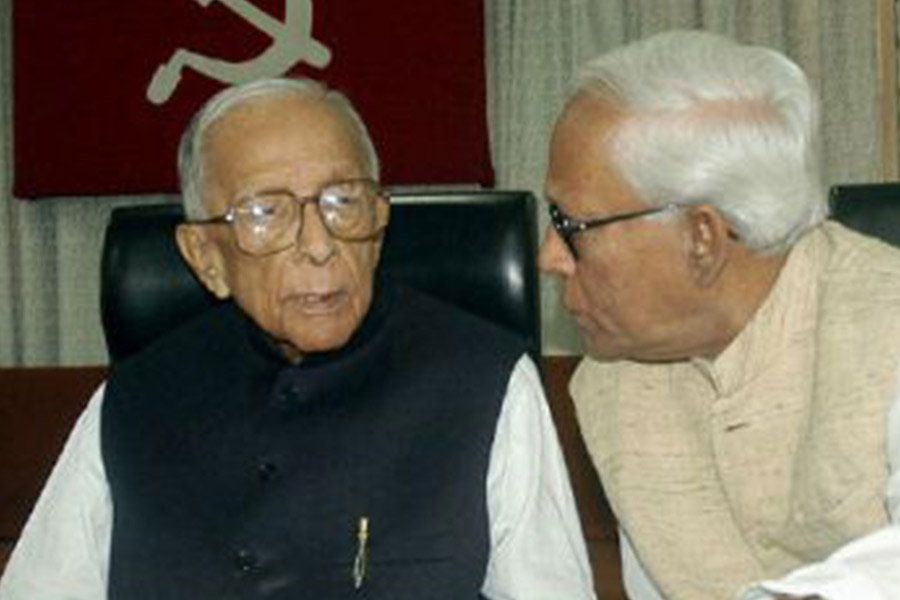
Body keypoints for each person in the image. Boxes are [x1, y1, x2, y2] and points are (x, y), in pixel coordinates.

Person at [0, 77, 595, 599]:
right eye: (266, 212)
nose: (318, 244)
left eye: (344, 202)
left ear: (380, 222)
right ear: (205, 257)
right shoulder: (131, 401)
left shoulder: (484, 382)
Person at [538, 30, 900, 600]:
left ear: (702, 238)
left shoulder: (888, 324)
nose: (549, 258)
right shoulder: (612, 382)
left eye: (571, 227)